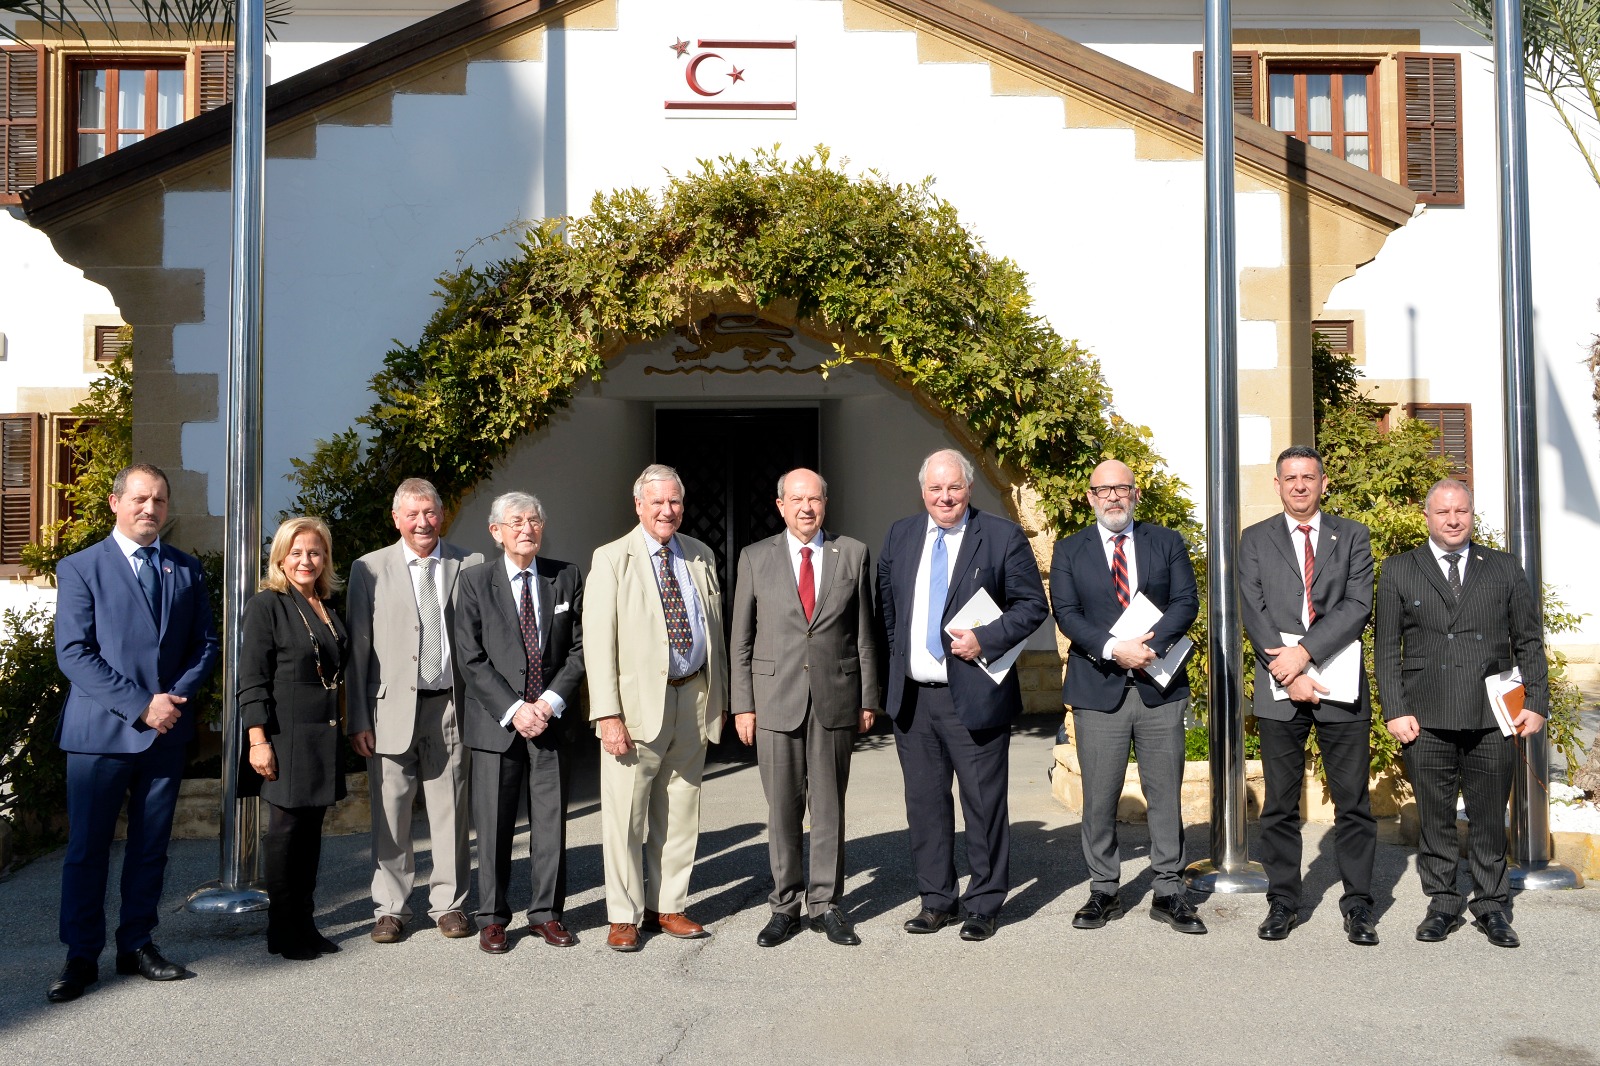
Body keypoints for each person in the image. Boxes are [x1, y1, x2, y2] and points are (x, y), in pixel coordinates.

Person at [48, 463, 220, 1002]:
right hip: (100, 734)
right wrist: (141, 705)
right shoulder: (81, 567)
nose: (150, 509)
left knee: (150, 848)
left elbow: (205, 645)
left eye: (160, 500)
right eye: (141, 499)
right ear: (115, 502)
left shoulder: (185, 568)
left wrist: (169, 704)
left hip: (164, 733)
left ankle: (137, 944)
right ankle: (80, 956)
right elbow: (74, 652)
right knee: (87, 850)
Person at [877, 448, 1048, 941]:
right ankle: (936, 901)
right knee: (925, 806)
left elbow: (1031, 605)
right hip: (915, 700)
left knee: (983, 805)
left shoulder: (1000, 536)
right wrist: (902, 660)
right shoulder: (900, 535)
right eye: (935, 488)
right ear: (922, 491)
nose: (945, 497)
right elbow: (887, 608)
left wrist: (986, 639)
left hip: (973, 694)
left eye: (954, 487)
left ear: (969, 488)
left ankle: (984, 904)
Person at [1375, 478, 1547, 948]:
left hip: (1492, 715)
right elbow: (1386, 647)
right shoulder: (1399, 569)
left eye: (1461, 511)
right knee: (1436, 818)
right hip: (1425, 715)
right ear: (1427, 517)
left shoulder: (1504, 567)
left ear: (1472, 515)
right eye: (1443, 512)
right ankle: (1443, 904)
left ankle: (1492, 906)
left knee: (1489, 817)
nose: (1453, 520)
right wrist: (1395, 709)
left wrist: (1535, 702)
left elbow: (1529, 639)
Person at [1049, 458, 1204, 935]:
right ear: (1091, 497)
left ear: (1135, 493)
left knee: (1165, 793)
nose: (1113, 496)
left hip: (1159, 685)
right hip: (1099, 687)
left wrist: (1149, 647)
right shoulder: (1069, 549)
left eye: (1122, 488)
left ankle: (1169, 890)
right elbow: (1066, 612)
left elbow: (1186, 601)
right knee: (1099, 796)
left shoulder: (1166, 541)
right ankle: (1103, 889)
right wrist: (1117, 649)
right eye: (1104, 489)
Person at [731, 468, 881, 948]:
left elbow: (865, 633)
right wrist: (742, 705)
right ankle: (784, 906)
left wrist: (868, 698)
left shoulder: (852, 553)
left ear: (825, 503)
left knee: (829, 807)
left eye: (814, 499)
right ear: (780, 506)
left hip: (836, 697)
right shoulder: (755, 557)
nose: (806, 508)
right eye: (796, 500)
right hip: (774, 701)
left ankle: (826, 904)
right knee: (782, 809)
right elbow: (741, 639)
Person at [585, 463, 728, 952]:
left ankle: (667, 905)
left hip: (693, 696)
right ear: (638, 505)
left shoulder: (700, 555)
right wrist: (607, 714)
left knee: (681, 808)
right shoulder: (611, 558)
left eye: (675, 502)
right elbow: (598, 644)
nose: (667, 510)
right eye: (658, 502)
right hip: (634, 708)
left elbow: (714, 630)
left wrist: (719, 697)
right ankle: (623, 915)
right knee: (626, 815)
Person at [1239, 445, 1378, 945]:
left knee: (1352, 802)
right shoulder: (1254, 539)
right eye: (1290, 477)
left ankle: (1358, 905)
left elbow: (1357, 604)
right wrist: (1288, 671)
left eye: (1309, 477)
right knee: (1279, 804)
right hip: (1279, 683)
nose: (1300, 485)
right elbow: (1252, 609)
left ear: (1323, 483)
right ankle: (1283, 902)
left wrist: (1305, 654)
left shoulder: (1353, 535)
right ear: (1277, 485)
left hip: (1340, 680)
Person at [346, 478, 483, 943]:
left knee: (451, 810)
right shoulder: (368, 569)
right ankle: (391, 908)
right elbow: (358, 650)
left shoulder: (470, 563)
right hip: (388, 710)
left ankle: (450, 905)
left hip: (449, 706)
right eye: (412, 514)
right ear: (396, 519)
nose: (422, 522)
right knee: (391, 812)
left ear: (442, 515)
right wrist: (358, 718)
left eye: (430, 512)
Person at [454, 492, 585, 954]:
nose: (527, 529)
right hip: (498, 723)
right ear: (496, 532)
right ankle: (492, 917)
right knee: (493, 825)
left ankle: (546, 914)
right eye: (516, 522)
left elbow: (580, 649)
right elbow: (470, 657)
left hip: (551, 720)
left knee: (550, 824)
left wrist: (547, 703)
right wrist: (515, 708)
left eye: (534, 521)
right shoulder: (474, 581)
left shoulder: (565, 576)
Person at [239, 516, 349, 961]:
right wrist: (257, 739)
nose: (307, 560)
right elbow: (252, 678)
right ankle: (282, 929)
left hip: (323, 734)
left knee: (310, 835)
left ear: (325, 559)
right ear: (281, 559)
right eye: (297, 552)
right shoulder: (267, 605)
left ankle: (305, 922)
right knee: (285, 836)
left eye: (315, 552)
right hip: (284, 736)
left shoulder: (327, 606)